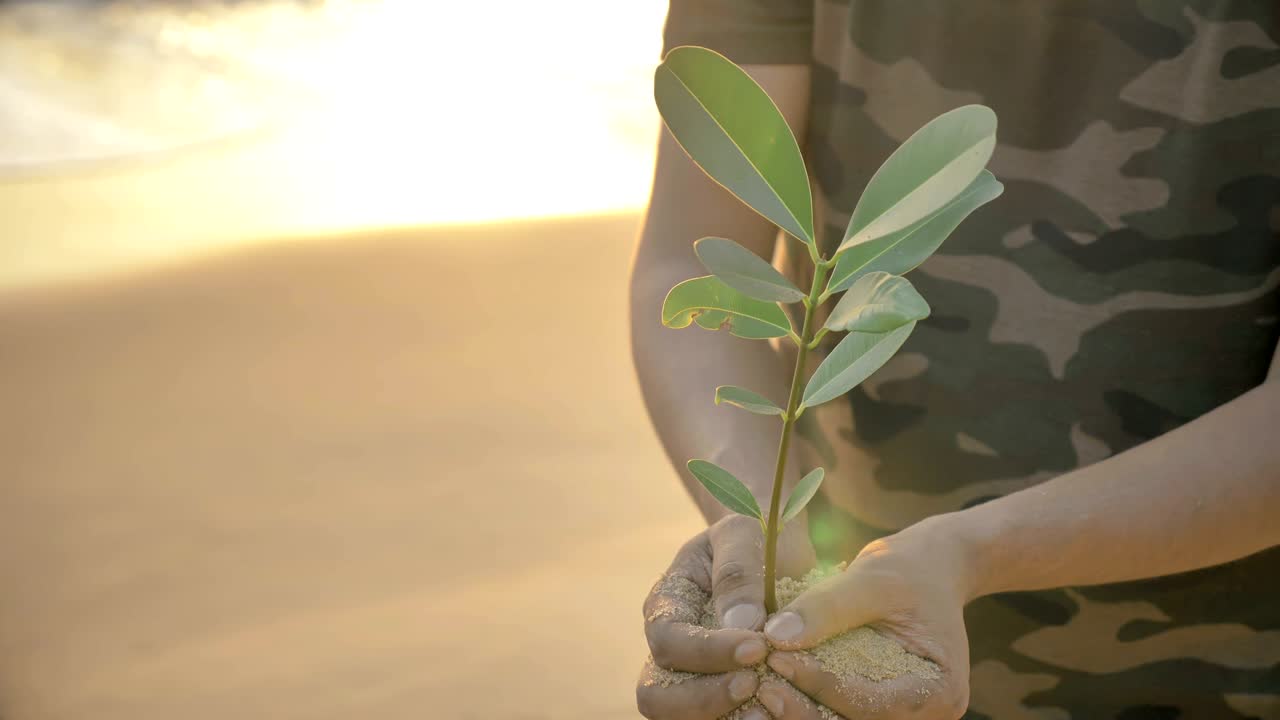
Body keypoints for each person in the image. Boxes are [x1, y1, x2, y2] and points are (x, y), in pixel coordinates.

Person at [630, 1, 1280, 718]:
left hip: (1213, 670)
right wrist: (755, 521)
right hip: (844, 660)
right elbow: (695, 260)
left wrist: (969, 554)